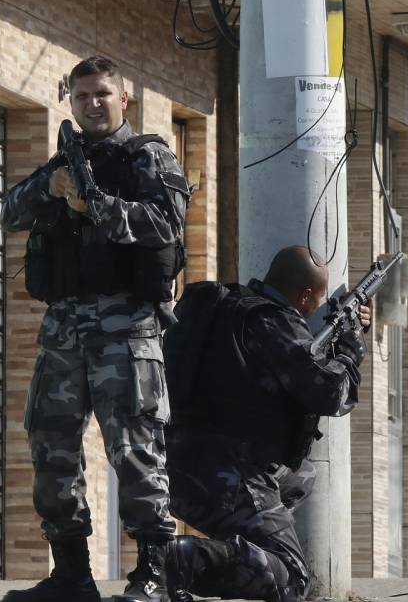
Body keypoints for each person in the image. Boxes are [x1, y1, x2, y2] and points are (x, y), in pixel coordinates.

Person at [1, 55, 191, 602]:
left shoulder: (150, 157)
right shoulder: (67, 158)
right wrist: (53, 189)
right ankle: (71, 574)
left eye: (103, 94)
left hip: (127, 328)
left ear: (123, 98)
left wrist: (97, 205)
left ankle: (154, 573)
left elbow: (165, 224)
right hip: (63, 326)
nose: (93, 104)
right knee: (50, 440)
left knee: (134, 446)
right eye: (82, 97)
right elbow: (9, 212)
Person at [163, 246, 368, 602]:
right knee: (291, 578)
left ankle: (242, 548)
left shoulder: (225, 309)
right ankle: (188, 558)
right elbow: (330, 393)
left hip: (175, 467)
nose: (315, 309)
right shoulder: (272, 323)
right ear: (305, 295)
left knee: (301, 474)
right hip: (227, 477)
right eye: (316, 300)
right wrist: (351, 349)